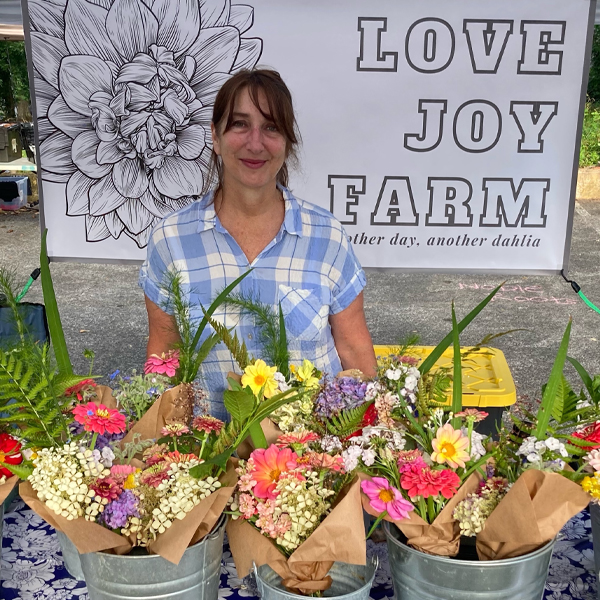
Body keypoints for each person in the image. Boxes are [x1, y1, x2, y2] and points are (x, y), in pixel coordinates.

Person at [140, 69, 376, 420]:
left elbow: (355, 352)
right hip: (208, 459)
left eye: (271, 127)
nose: (255, 143)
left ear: (287, 143)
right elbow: (163, 355)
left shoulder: (327, 238)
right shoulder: (171, 240)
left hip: (313, 460)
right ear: (216, 138)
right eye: (239, 124)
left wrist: (377, 431)